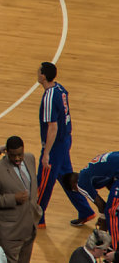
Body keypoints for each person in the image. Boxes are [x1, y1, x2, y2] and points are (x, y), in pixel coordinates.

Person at [36, 62, 96, 227]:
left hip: (55, 145)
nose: (36, 73)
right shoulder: (60, 88)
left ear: (43, 76)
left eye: (38, 71)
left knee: (44, 181)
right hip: (65, 139)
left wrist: (46, 153)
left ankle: (37, 219)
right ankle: (85, 211)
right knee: (66, 177)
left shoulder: (49, 97)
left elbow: (52, 127)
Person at [0, 136, 42, 263]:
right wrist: (13, 198)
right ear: (7, 152)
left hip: (29, 226)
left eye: (19, 155)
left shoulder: (30, 158)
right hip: (9, 232)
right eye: (13, 155)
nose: (17, 158)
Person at [63, 155, 119, 246]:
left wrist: (100, 231)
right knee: (114, 205)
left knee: (111, 212)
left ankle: (115, 247)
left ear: (73, 185)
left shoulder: (80, 183)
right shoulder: (89, 172)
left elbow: (102, 205)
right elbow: (110, 182)